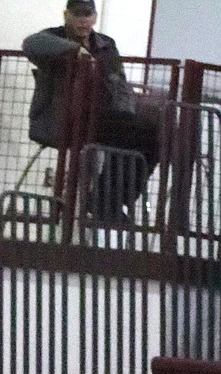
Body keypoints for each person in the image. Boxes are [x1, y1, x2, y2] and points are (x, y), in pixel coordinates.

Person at [24, 3, 160, 221]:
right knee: (130, 135)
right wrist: (75, 50)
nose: (83, 20)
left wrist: (126, 114)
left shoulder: (106, 44)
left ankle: (107, 200)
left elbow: (119, 83)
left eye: (87, 14)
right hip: (63, 119)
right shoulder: (53, 36)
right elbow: (31, 43)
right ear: (66, 16)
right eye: (77, 14)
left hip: (100, 118)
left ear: (95, 17)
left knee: (150, 135)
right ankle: (104, 202)